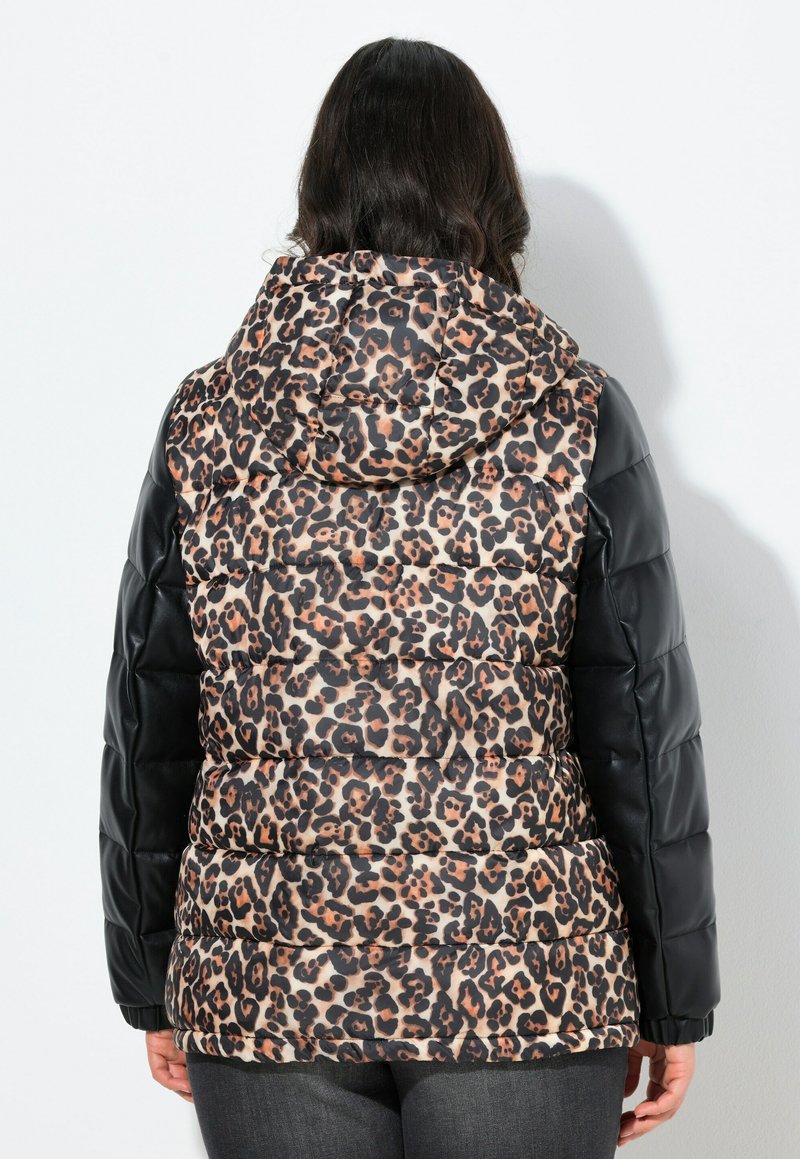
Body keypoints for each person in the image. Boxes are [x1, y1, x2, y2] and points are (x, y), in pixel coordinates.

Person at [99, 35, 720, 1159]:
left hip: (269, 976)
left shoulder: (209, 418)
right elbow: (637, 728)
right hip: (523, 981)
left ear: (321, 189)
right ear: (488, 192)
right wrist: (675, 994)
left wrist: (150, 970)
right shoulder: (573, 413)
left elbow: (150, 719)